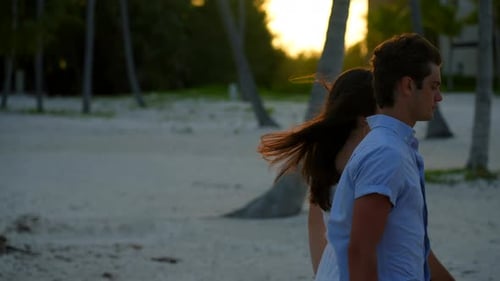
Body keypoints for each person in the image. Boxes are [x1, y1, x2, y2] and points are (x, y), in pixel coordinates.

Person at [327, 33, 455, 281]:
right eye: (433, 86)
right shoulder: (386, 153)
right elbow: (361, 251)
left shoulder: (392, 147)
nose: (438, 97)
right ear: (408, 86)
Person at [257, 68, 377, 280]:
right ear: (364, 118)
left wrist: (322, 273)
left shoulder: (326, 154)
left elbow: (315, 223)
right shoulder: (368, 159)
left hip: (331, 268)